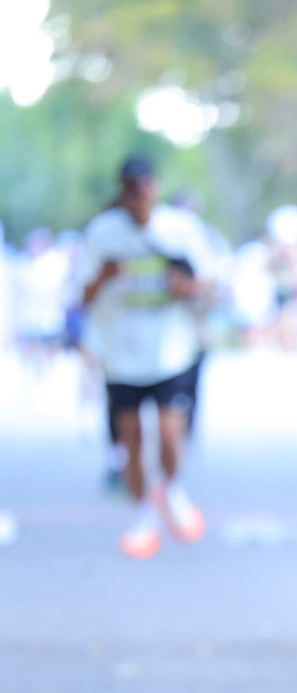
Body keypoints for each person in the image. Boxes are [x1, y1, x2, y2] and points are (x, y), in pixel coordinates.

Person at [76, 157, 215, 559]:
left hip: (170, 352)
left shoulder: (179, 228)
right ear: (121, 190)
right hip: (120, 356)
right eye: (130, 189)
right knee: (131, 441)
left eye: (144, 188)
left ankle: (172, 490)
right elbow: (81, 296)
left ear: (155, 187)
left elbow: (209, 281)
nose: (138, 197)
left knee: (171, 434)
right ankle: (142, 512)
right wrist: (103, 277)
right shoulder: (103, 234)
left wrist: (185, 286)